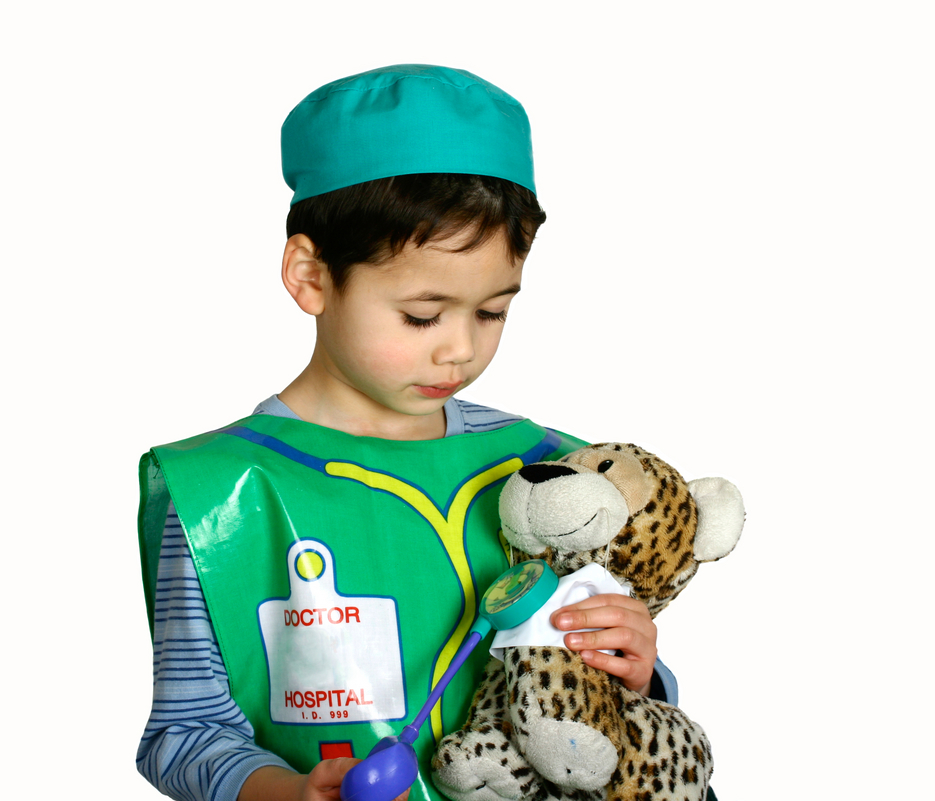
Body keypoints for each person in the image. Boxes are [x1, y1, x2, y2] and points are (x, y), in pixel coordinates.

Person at [136, 64, 674, 801]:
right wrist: (290, 793)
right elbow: (187, 732)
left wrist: (640, 669)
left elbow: (617, 711)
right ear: (311, 276)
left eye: (492, 311)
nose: (461, 348)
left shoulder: (553, 475)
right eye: (423, 315)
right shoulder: (219, 493)